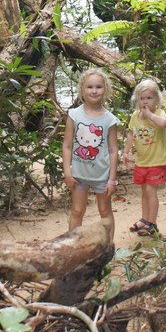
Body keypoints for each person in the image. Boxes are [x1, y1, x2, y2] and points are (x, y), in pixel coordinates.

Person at [62, 68, 119, 241]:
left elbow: (113, 150)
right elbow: (67, 146)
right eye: (90, 87)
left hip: (102, 175)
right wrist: (67, 172)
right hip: (79, 175)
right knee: (77, 211)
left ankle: (107, 246)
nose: (94, 91)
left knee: (104, 211)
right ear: (82, 90)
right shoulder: (74, 115)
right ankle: (71, 245)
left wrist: (112, 179)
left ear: (105, 90)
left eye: (99, 87)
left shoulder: (109, 119)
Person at [121, 79, 166, 236]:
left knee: (151, 191)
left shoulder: (159, 114)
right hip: (142, 161)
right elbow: (131, 134)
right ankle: (144, 219)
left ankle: (152, 223)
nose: (145, 102)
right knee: (144, 192)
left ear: (156, 100)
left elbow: (163, 123)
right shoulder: (135, 116)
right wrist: (126, 152)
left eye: (149, 98)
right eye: (142, 98)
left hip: (156, 160)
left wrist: (149, 114)